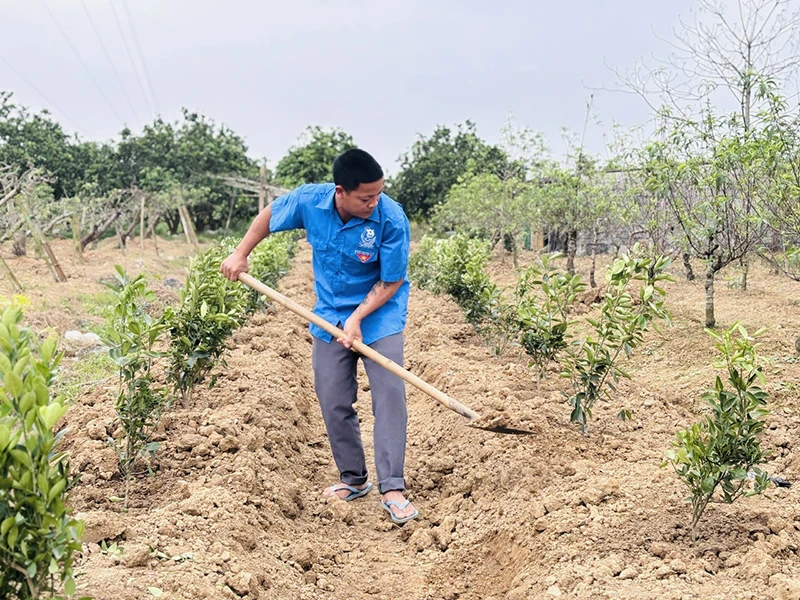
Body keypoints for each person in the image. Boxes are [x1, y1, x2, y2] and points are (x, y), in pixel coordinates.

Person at [220, 149, 417, 524]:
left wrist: (358, 318)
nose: (374, 202)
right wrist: (240, 253)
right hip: (329, 313)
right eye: (366, 197)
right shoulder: (310, 200)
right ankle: (353, 478)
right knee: (332, 397)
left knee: (390, 396)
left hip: (379, 315)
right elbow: (269, 216)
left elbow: (391, 280)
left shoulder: (390, 217)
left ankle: (391, 486)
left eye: (378, 194)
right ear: (340, 191)